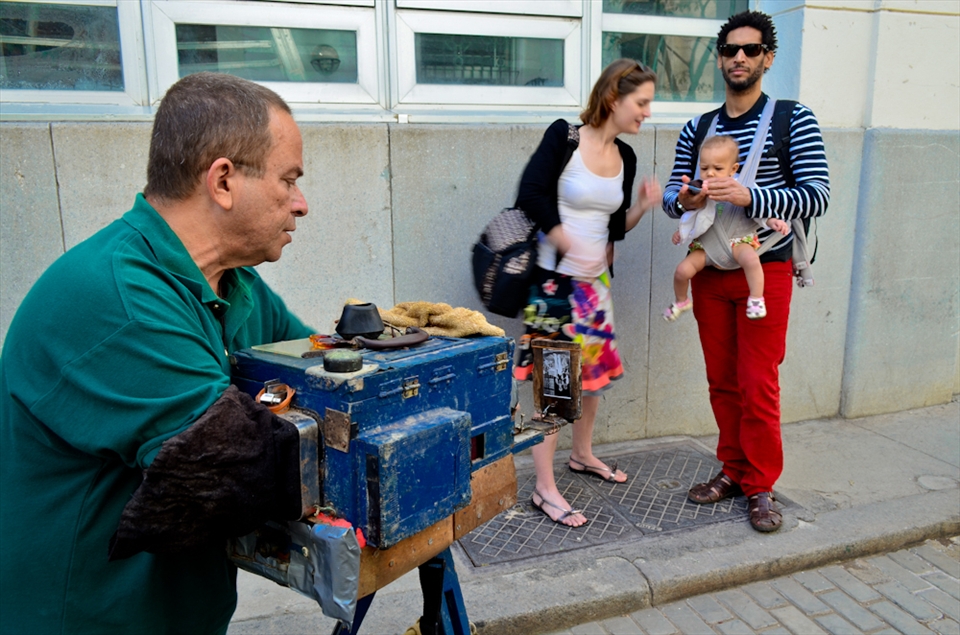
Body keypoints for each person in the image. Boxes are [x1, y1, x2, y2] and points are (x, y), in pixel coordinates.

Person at [0, 73, 314, 634]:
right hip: (86, 617)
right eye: (288, 180)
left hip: (178, 613)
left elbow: (320, 372)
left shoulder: (230, 281)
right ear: (223, 180)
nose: (301, 203)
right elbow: (241, 467)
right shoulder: (117, 298)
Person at [662, 10, 830, 532]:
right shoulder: (698, 128)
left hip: (766, 269)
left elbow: (817, 194)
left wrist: (751, 193)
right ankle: (733, 471)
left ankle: (760, 485)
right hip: (710, 272)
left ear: (768, 58)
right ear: (719, 58)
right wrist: (685, 198)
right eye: (731, 49)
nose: (740, 57)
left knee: (758, 383)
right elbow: (672, 195)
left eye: (751, 50)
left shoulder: (792, 119)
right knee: (722, 382)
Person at [514, 59, 661, 527]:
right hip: (555, 288)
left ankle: (581, 455)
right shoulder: (565, 137)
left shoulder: (627, 156)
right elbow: (530, 195)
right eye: (641, 103)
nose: (647, 113)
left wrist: (639, 208)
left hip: (594, 290)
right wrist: (563, 238)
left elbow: (615, 228)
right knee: (555, 388)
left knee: (592, 380)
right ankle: (544, 487)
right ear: (614, 99)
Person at [664, 134, 792, 322]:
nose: (710, 173)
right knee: (682, 271)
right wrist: (682, 232)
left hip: (740, 241)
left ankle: (756, 298)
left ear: (733, 169)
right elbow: (692, 215)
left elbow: (758, 205)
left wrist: (773, 221)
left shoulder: (743, 185)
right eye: (704, 168)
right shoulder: (700, 189)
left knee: (751, 259)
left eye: (718, 168)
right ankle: (681, 300)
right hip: (707, 246)